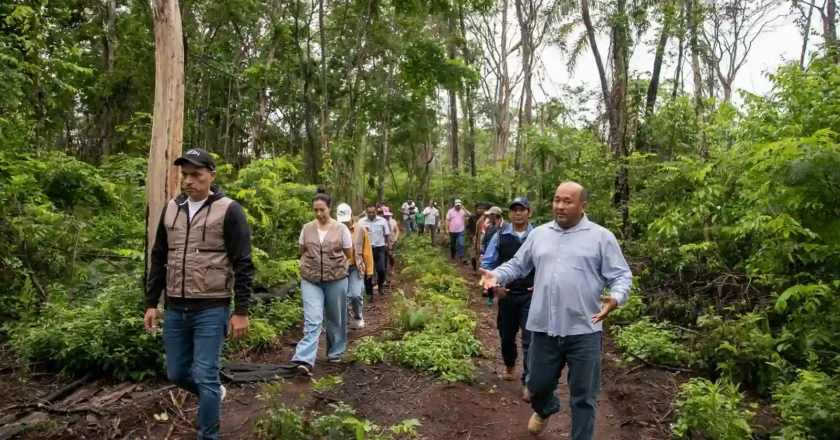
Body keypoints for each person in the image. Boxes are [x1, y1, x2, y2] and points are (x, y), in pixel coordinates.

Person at [478, 183, 633, 439]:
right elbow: (517, 265)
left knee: (584, 397)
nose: (560, 206)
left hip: (584, 328)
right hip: (543, 327)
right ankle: (546, 407)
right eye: (556, 200)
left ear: (583, 206)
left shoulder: (601, 237)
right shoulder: (539, 234)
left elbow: (621, 276)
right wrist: (495, 275)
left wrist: (615, 298)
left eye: (568, 201)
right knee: (536, 386)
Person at [144, 148, 254, 440]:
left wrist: (241, 311)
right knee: (177, 373)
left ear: (211, 175)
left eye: (196, 175)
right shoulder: (171, 208)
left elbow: (243, 262)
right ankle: (214, 394)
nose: (189, 181)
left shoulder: (229, 210)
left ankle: (208, 434)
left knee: (205, 373)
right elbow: (159, 257)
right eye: (185, 176)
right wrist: (151, 302)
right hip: (176, 307)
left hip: (212, 306)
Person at [292, 191, 353, 376]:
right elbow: (302, 250)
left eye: (322, 210)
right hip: (311, 280)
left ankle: (335, 352)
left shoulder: (341, 229)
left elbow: (348, 254)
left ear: (329, 208)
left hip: (336, 279)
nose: (319, 213)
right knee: (313, 320)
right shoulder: (307, 228)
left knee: (336, 318)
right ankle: (304, 360)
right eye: (315, 210)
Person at [481, 198, 533, 402]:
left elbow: (548, 262)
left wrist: (541, 284)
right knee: (506, 335)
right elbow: (488, 261)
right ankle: (509, 364)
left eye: (522, 210)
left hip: (531, 295)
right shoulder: (500, 235)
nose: (518, 213)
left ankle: (529, 381)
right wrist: (495, 286)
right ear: (509, 214)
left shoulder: (538, 236)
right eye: (514, 210)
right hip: (507, 294)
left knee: (530, 339)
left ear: (529, 213)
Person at [337, 203, 373, 330]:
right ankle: (345, 323)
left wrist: (369, 269)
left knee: (355, 295)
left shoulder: (360, 229)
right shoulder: (335, 229)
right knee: (342, 297)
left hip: (356, 267)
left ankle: (358, 316)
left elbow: (367, 251)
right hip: (339, 268)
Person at [358, 203, 392, 298]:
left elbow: (387, 235)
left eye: (373, 212)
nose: (371, 214)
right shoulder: (361, 222)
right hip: (366, 250)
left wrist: (389, 248)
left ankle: (380, 285)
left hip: (380, 248)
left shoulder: (382, 221)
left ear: (376, 211)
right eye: (369, 212)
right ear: (366, 211)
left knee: (381, 270)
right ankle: (369, 293)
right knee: (367, 272)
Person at [480, 206, 504, 307]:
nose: (488, 216)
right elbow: (484, 241)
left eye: (489, 215)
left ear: (494, 215)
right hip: (490, 257)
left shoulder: (506, 227)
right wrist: (482, 253)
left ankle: (502, 298)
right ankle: (490, 297)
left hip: (502, 257)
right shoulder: (489, 227)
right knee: (489, 276)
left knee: (502, 279)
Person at [468, 203, 488, 270]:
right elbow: (467, 228)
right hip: (474, 239)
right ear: (475, 209)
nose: (480, 210)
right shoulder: (472, 218)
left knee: (482, 256)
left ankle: (482, 270)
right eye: (479, 208)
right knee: (473, 256)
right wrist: (471, 236)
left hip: (483, 240)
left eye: (482, 208)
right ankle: (474, 269)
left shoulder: (487, 219)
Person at [382, 207, 399, 276]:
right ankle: (384, 272)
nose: (387, 217)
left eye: (387, 216)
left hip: (392, 241)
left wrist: (396, 237)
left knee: (391, 256)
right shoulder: (380, 222)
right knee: (383, 257)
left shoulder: (392, 221)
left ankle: (392, 268)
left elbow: (397, 230)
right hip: (383, 242)